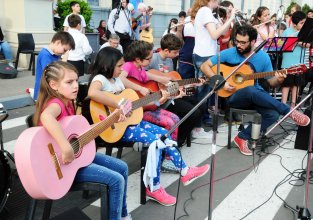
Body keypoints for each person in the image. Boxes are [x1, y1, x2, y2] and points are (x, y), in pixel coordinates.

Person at [87, 46, 209, 206]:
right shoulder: (101, 79)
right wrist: (119, 104)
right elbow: (93, 93)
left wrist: (160, 99)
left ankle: (184, 171)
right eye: (118, 66)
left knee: (164, 133)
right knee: (156, 141)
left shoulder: (117, 81)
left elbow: (135, 104)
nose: (122, 69)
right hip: (117, 129)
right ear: (106, 65)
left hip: (130, 123)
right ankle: (154, 187)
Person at [33, 61, 131, 220]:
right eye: (69, 82)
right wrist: (65, 147)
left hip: (74, 161)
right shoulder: (56, 103)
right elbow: (46, 116)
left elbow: (79, 132)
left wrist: (111, 120)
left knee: (122, 167)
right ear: (54, 85)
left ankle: (122, 214)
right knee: (116, 180)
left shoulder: (68, 102)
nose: (75, 85)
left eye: (77, 80)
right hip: (61, 167)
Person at [200, 24, 310, 156]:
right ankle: (288, 110)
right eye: (237, 41)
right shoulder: (228, 53)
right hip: (234, 97)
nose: (238, 45)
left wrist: (279, 80)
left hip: (257, 96)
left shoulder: (263, 57)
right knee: (251, 90)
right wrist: (221, 82)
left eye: (243, 42)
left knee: (272, 114)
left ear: (253, 42)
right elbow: (204, 66)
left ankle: (242, 137)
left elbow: (271, 82)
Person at [146, 34, 210, 143]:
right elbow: (142, 74)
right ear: (166, 50)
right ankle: (177, 141)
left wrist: (190, 84)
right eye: (175, 52)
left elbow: (172, 82)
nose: (178, 54)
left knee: (201, 103)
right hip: (159, 99)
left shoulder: (170, 61)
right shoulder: (153, 59)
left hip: (172, 94)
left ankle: (195, 130)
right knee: (193, 112)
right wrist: (160, 80)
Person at [191, 0, 238, 125]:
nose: (219, 2)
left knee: (206, 91)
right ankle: (196, 125)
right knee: (202, 92)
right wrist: (232, 17)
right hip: (203, 55)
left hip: (206, 55)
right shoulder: (205, 11)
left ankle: (202, 119)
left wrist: (228, 17)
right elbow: (214, 35)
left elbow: (222, 32)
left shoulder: (209, 13)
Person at [33, 31, 75, 101]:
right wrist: (64, 61)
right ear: (58, 42)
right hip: (44, 92)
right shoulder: (45, 54)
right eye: (64, 50)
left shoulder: (55, 54)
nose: (64, 53)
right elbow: (52, 73)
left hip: (50, 90)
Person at [281, 11, 307, 107]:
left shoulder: (304, 33)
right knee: (286, 84)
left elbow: (307, 45)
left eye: (304, 22)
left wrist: (301, 42)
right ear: (295, 23)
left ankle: (293, 105)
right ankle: (283, 104)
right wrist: (294, 40)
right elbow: (282, 46)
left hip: (299, 63)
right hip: (288, 63)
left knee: (297, 84)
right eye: (301, 23)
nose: (303, 25)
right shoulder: (287, 32)